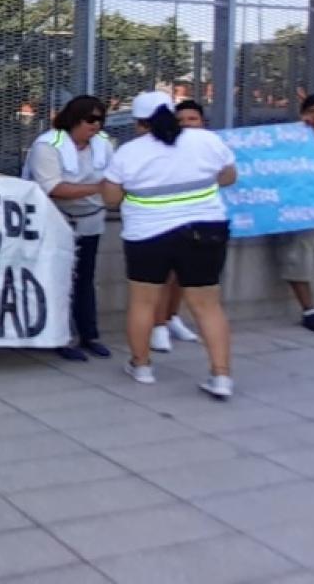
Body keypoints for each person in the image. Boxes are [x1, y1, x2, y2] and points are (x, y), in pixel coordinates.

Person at [102, 90, 238, 399]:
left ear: (139, 123)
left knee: (144, 302)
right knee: (207, 306)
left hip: (148, 235)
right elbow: (229, 176)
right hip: (206, 230)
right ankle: (221, 376)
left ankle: (142, 366)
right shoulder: (205, 140)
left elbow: (110, 198)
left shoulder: (129, 152)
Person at [23, 95, 113, 362]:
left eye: (100, 120)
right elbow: (54, 188)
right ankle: (60, 336)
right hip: (55, 221)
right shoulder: (48, 145)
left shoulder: (103, 144)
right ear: (74, 119)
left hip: (89, 219)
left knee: (85, 278)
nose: (95, 126)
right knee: (57, 279)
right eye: (90, 120)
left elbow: (115, 177)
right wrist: (99, 189)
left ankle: (89, 334)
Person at [150, 100, 207, 351]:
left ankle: (172, 318)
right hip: (165, 218)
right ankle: (158, 326)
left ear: (203, 122)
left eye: (192, 119)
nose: (186, 125)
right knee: (164, 274)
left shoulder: (211, 146)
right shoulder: (165, 146)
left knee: (184, 275)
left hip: (201, 217)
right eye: (180, 120)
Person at [276, 93, 314, 332]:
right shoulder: (289, 140)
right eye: (313, 111)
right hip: (300, 211)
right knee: (299, 254)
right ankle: (310, 311)